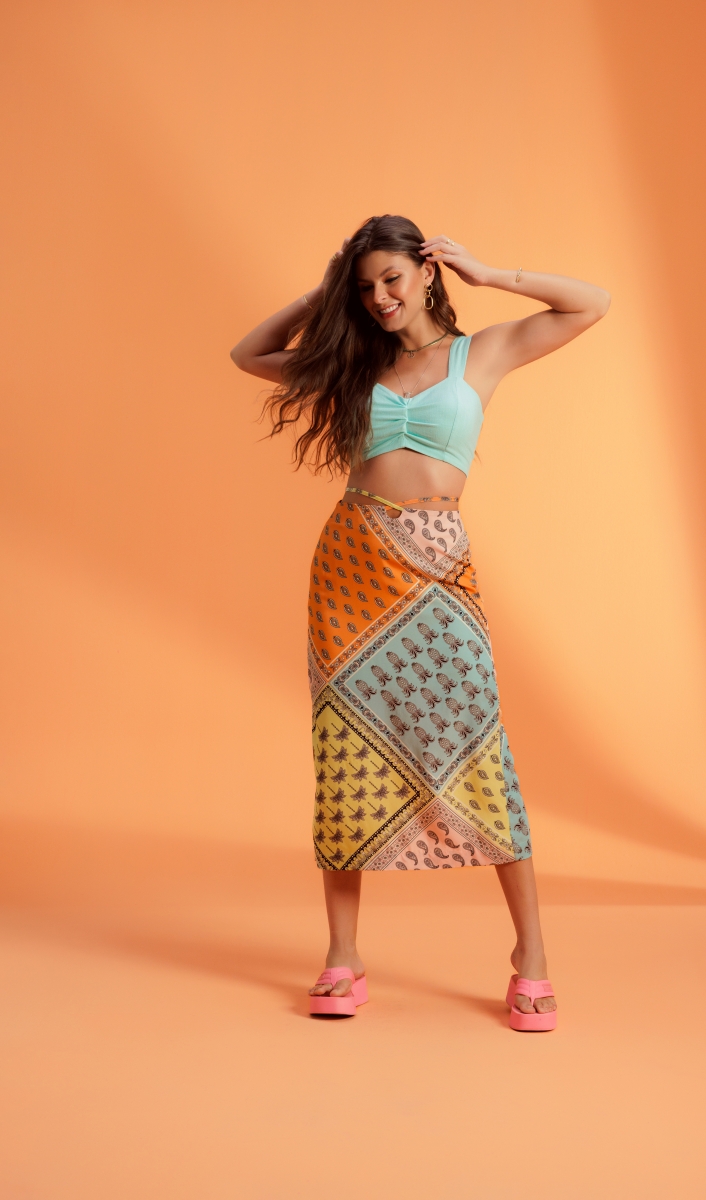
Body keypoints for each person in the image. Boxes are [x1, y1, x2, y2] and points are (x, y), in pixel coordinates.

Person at [230, 214, 610, 1031]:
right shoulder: (350, 365)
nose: (379, 298)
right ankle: (343, 955)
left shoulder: (483, 355)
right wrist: (321, 297)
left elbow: (591, 303)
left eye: (392, 279)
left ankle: (532, 956)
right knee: (344, 752)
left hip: (438, 567)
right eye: (366, 286)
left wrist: (491, 273)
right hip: (351, 568)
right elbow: (249, 354)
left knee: (479, 748)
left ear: (427, 272)